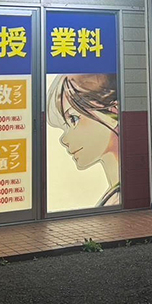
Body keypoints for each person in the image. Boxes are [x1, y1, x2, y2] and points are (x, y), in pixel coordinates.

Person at [47, 74, 120, 207]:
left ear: (114, 110)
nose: (64, 140)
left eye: (74, 119)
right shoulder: (116, 196)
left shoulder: (118, 198)